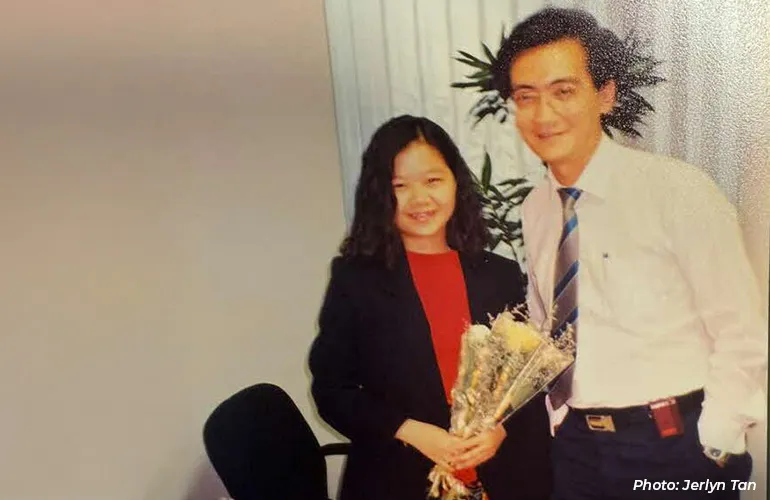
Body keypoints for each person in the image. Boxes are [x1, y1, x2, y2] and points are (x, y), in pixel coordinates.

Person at [488, 7, 767, 500]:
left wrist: (717, 439)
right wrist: (556, 416)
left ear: (606, 94)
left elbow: (740, 327)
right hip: (577, 449)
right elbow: (547, 326)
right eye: (526, 97)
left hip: (675, 446)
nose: (543, 114)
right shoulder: (537, 209)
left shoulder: (677, 190)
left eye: (563, 91)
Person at [309, 115, 552, 500]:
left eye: (433, 180)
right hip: (400, 477)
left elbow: (528, 379)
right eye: (400, 186)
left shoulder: (499, 274)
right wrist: (411, 431)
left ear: (456, 182)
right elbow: (332, 390)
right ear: (379, 194)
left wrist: (500, 429)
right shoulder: (356, 280)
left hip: (502, 475)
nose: (419, 199)